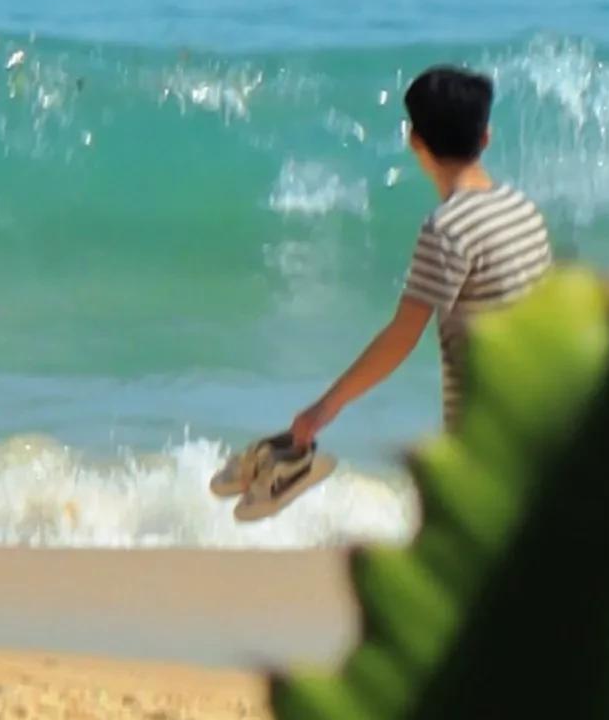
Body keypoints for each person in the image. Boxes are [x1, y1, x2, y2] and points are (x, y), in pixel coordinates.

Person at [211, 63, 552, 516]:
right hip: (542, 421)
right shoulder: (523, 210)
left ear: (415, 140)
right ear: (486, 137)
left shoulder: (448, 229)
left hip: (483, 433)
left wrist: (322, 410)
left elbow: (402, 336)